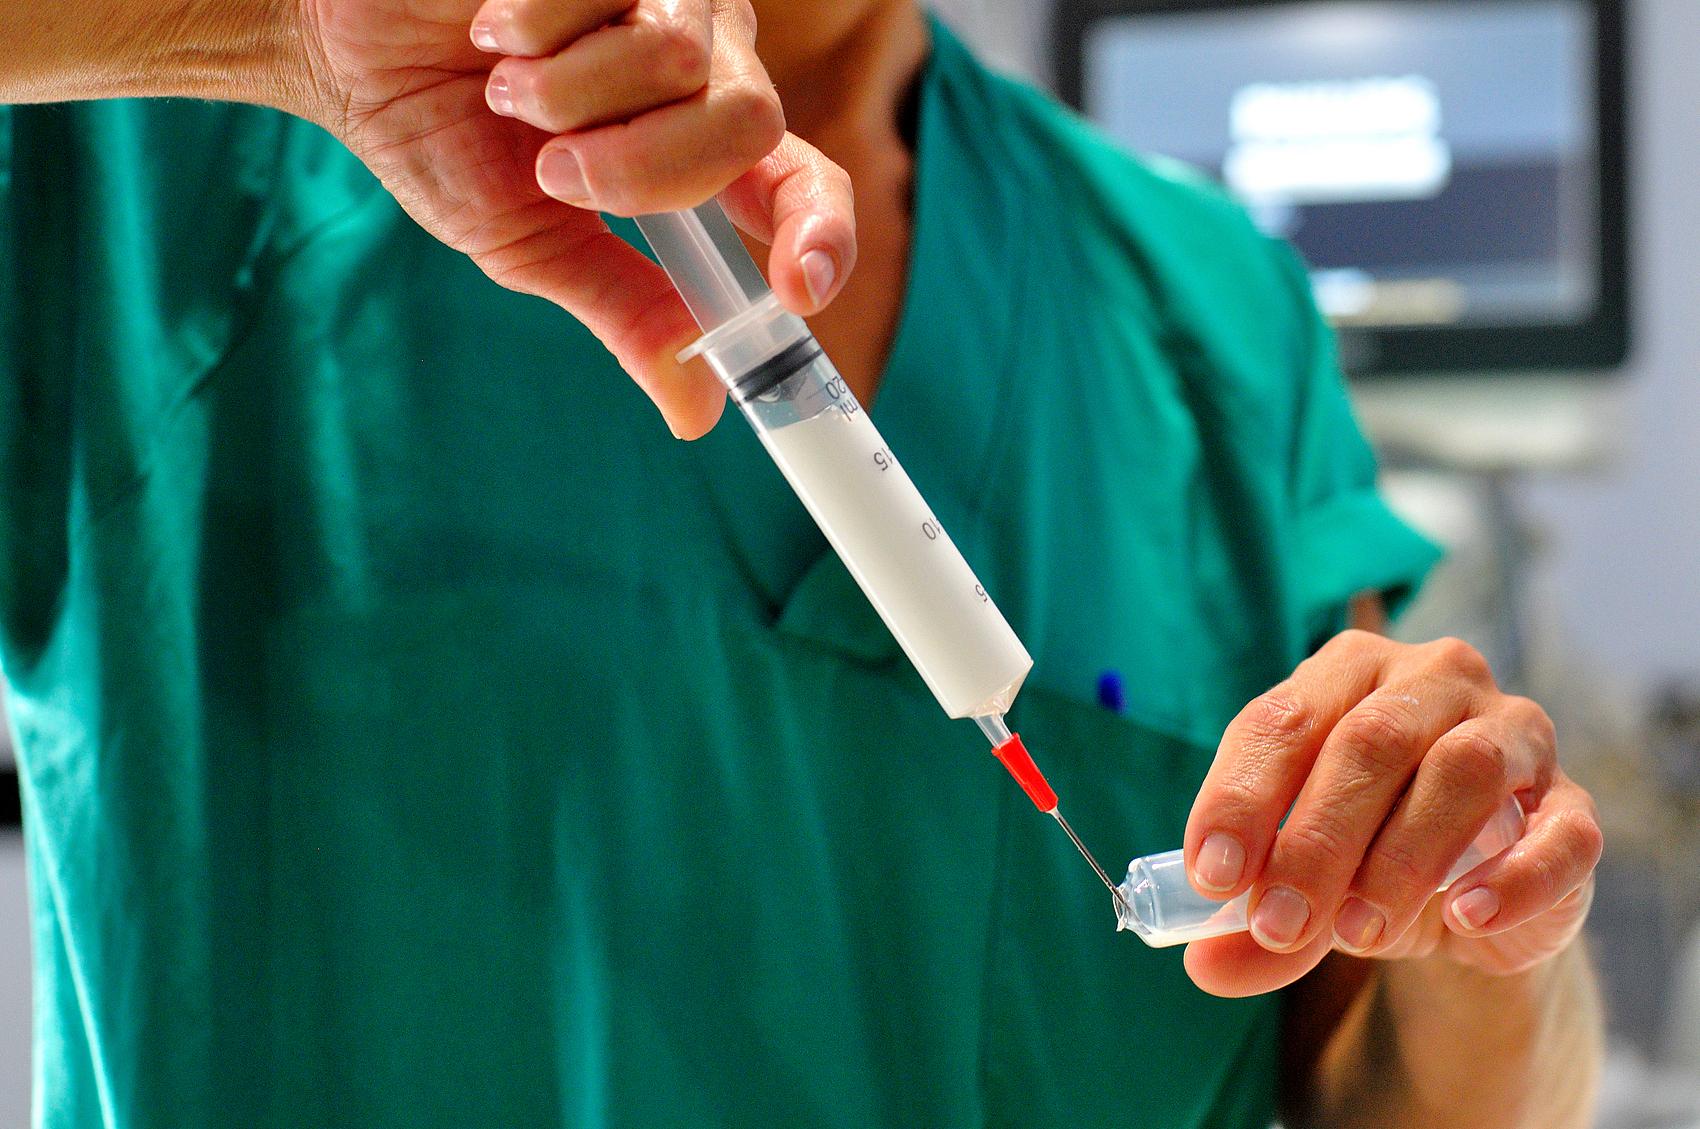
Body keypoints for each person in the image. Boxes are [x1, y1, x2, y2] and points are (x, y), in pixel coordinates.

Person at [0, 0, 1605, 1126]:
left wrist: (1481, 910)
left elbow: (1396, 1092)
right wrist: (281, 27)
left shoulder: (1214, 307)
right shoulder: (168, 154)